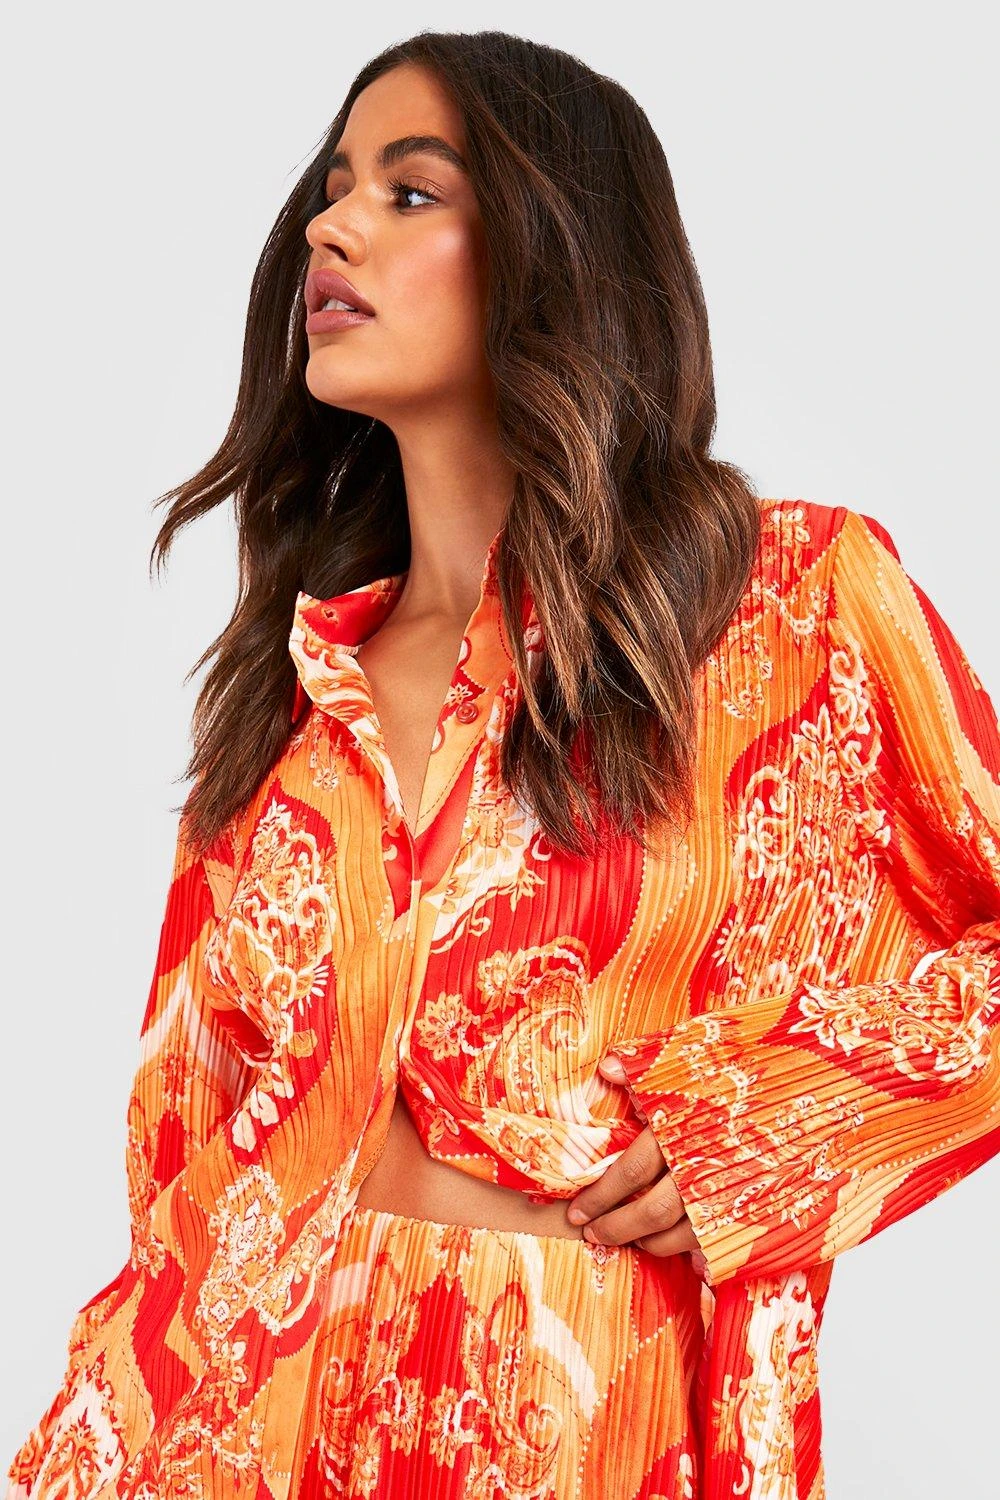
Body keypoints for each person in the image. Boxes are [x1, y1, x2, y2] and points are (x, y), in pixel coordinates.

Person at [7, 28, 999, 1500]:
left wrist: (773, 1126)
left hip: (588, 1437)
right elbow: (184, 1151)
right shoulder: (293, 695)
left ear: (560, 251)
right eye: (334, 189)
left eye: (410, 192)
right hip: (241, 1444)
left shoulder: (786, 606)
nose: (332, 228)